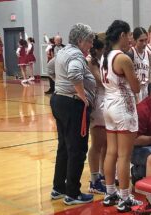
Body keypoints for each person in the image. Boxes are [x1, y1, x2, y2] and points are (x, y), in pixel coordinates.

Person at [50, 23, 96, 205]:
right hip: (72, 104)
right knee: (77, 149)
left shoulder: (62, 52)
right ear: (80, 40)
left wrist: (61, 85)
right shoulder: (76, 54)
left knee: (65, 147)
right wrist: (83, 96)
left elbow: (49, 69)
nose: (91, 44)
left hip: (59, 100)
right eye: (89, 40)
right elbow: (75, 73)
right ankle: (73, 193)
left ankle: (58, 187)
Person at [101, 20, 142, 212]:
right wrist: (138, 80)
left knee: (111, 152)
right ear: (122, 36)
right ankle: (125, 197)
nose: (131, 39)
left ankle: (110, 193)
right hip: (122, 105)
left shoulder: (105, 55)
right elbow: (135, 87)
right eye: (130, 35)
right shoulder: (123, 58)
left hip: (108, 104)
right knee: (125, 156)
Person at [86, 35, 106, 194]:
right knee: (97, 144)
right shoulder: (90, 61)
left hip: (106, 102)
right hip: (98, 103)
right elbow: (102, 81)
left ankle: (102, 174)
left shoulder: (102, 60)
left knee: (106, 144)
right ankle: (94, 181)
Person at [128, 27, 150, 102]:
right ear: (134, 40)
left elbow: (149, 73)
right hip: (136, 88)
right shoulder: (131, 52)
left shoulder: (148, 54)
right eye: (141, 40)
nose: (144, 43)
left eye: (146, 40)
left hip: (146, 88)